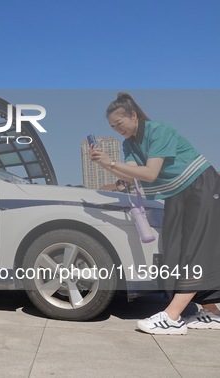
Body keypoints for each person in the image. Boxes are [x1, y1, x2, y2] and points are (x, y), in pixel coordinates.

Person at [89, 92, 220, 335]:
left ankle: (172, 316)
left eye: (119, 123)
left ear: (133, 116)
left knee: (194, 250)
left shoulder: (158, 130)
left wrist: (112, 162)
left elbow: (149, 174)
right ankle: (212, 311)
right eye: (112, 126)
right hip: (176, 194)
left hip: (202, 187)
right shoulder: (129, 144)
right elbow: (130, 175)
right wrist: (104, 162)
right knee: (173, 251)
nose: (117, 129)